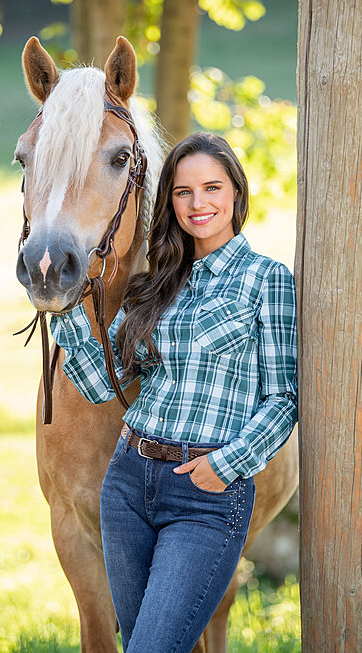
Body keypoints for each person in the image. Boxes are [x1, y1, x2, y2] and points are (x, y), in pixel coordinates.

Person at [49, 132, 297, 652]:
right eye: (183, 192)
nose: (198, 203)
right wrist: (65, 307)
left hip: (205, 495)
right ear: (169, 202)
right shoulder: (156, 285)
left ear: (236, 192)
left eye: (212, 187)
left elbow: (282, 401)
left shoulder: (266, 280)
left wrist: (223, 467)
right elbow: (101, 385)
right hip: (128, 485)